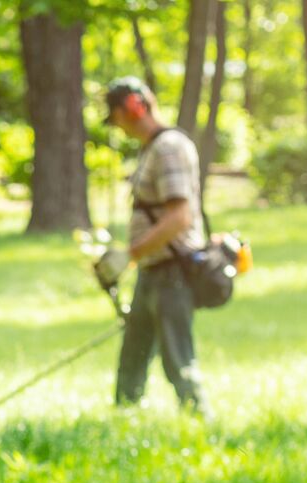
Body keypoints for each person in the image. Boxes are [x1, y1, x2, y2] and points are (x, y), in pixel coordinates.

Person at [95, 77, 207, 415]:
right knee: (133, 353)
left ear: (131, 108)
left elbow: (179, 217)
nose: (116, 125)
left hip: (171, 271)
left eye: (115, 115)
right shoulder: (151, 149)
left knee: (177, 357)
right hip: (151, 270)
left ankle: (200, 420)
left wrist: (129, 255)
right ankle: (124, 420)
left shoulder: (168, 147)